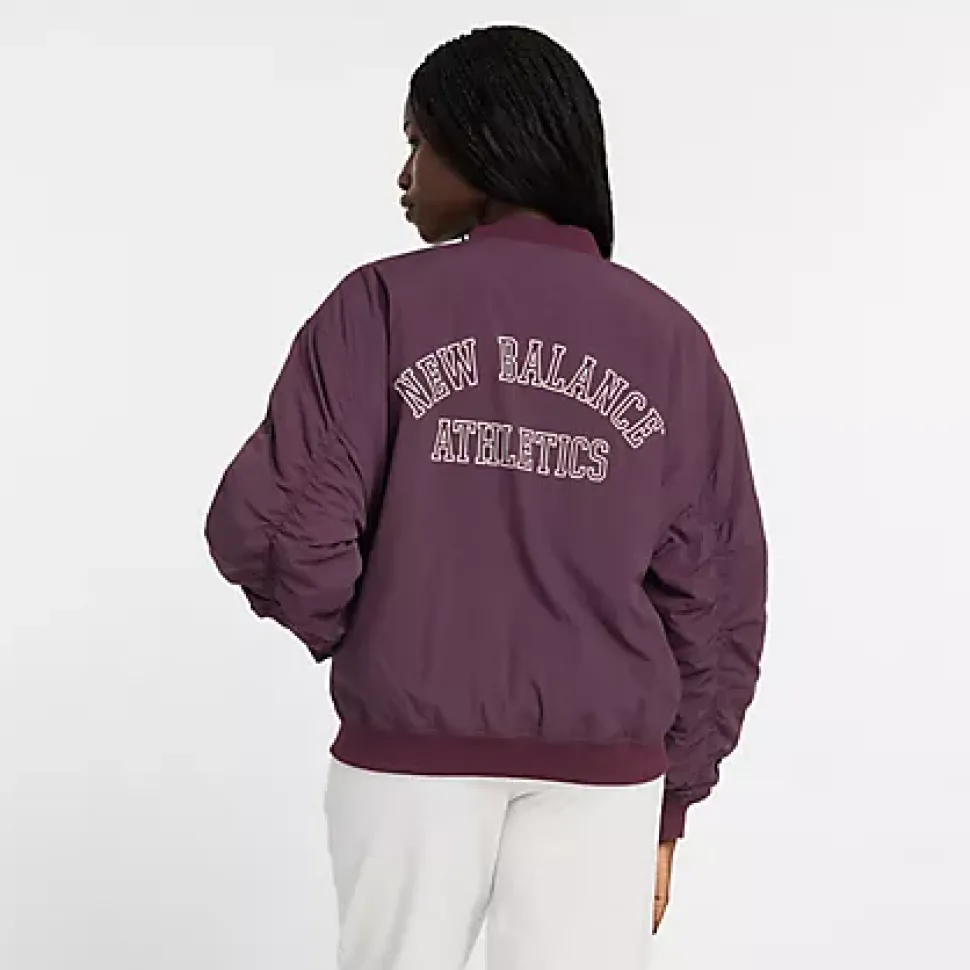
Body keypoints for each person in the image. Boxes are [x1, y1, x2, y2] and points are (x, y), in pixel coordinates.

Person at [205, 24, 768, 970]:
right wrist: (676, 791)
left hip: (412, 761)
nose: (404, 173)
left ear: (482, 143)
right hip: (605, 777)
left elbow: (277, 525)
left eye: (418, 141)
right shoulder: (668, 339)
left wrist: (388, 635)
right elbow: (715, 593)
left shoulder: (382, 307)